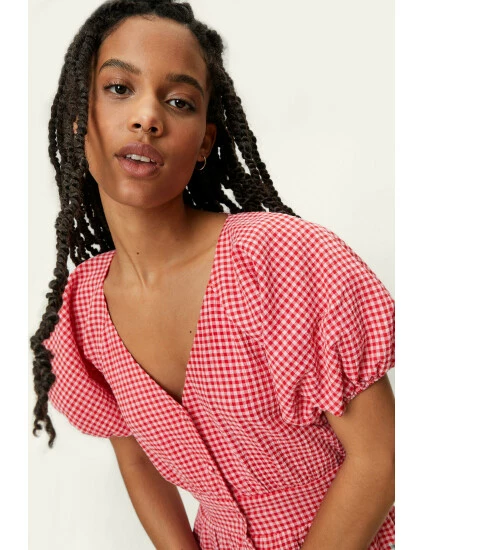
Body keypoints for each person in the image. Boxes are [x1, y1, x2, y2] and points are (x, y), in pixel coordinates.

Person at [29, 1, 395, 548]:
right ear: (80, 122)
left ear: (204, 141)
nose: (147, 117)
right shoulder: (82, 313)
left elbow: (380, 457)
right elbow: (136, 458)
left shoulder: (277, 258)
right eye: (119, 88)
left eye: (179, 101)